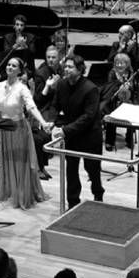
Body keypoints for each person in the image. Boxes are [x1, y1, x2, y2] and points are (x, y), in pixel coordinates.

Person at [0, 57, 51, 210]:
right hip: (5, 128)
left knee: (20, 163)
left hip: (19, 128)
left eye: (14, 66)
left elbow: (31, 108)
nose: (10, 67)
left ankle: (22, 194)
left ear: (20, 71)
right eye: (8, 65)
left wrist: (43, 122)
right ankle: (11, 192)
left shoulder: (22, 88)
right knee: (8, 161)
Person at [50, 55, 104, 209]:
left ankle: (98, 194)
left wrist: (65, 130)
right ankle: (73, 203)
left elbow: (88, 117)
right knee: (71, 170)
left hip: (89, 135)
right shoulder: (61, 84)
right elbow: (55, 105)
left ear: (80, 70)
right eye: (65, 66)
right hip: (72, 135)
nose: (66, 69)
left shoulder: (90, 88)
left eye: (70, 67)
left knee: (92, 169)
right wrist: (51, 121)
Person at [32, 45, 62, 180]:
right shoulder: (41, 73)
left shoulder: (62, 70)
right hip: (46, 106)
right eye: (48, 57)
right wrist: (48, 87)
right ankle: (41, 166)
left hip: (61, 105)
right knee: (44, 133)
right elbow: (38, 99)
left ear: (59, 58)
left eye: (53, 57)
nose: (51, 60)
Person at [102, 53, 134, 152]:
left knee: (132, 113)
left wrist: (129, 87)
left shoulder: (130, 73)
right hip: (112, 99)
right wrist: (119, 86)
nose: (119, 65)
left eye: (122, 63)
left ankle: (129, 138)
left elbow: (133, 90)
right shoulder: (112, 73)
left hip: (126, 99)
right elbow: (109, 89)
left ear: (127, 64)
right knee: (112, 113)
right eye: (117, 63)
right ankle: (109, 141)